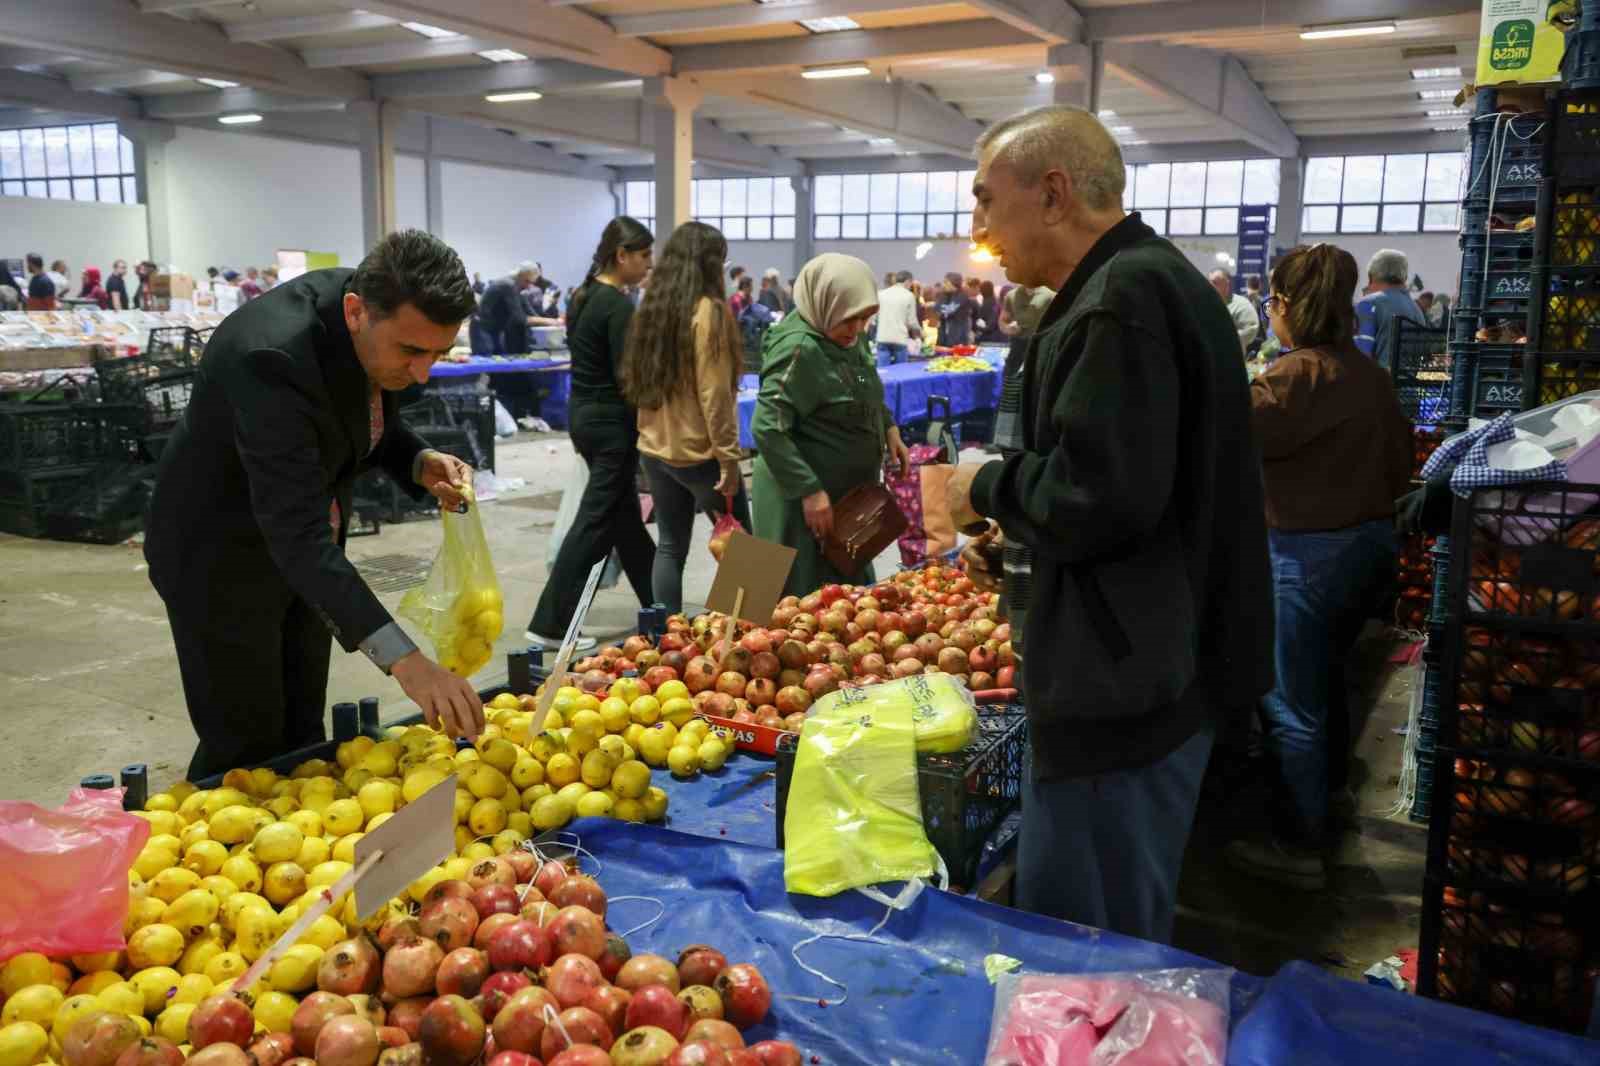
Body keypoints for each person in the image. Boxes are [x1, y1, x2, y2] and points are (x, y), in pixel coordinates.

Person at [947, 105, 1274, 944]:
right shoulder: (1149, 281)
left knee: (1089, 944)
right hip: (1162, 662)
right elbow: (1134, 487)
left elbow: (1101, 500)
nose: (978, 226)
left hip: (1125, 688)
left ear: (1053, 193)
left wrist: (987, 486)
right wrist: (1022, 537)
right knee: (1117, 916)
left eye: (987, 200)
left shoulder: (1118, 300)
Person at [143, 230, 486, 779]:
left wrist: (415, 460)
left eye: (439, 353)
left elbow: (356, 419)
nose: (423, 373)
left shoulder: (369, 320)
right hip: (220, 558)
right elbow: (296, 532)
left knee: (302, 735)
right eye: (413, 352)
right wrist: (407, 662)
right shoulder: (270, 359)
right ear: (356, 313)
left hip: (307, 557)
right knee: (246, 742)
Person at [1225, 245, 1413, 889]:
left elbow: (1227, 442)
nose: (1271, 313)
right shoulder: (1368, 374)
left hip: (1307, 556)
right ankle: (1325, 801)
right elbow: (1397, 469)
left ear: (1290, 305)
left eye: (1274, 302)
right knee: (1328, 681)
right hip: (1367, 548)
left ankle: (1298, 847)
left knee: (1289, 706)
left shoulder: (1291, 377)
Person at [526, 217, 657, 648]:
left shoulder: (584, 296)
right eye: (643, 256)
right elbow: (629, 375)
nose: (648, 264)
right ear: (621, 255)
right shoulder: (617, 306)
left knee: (625, 523)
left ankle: (661, 610)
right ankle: (549, 624)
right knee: (592, 522)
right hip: (609, 425)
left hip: (583, 415)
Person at [751, 254, 911, 596]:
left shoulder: (847, 336)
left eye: (864, 319)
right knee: (781, 605)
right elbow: (767, 427)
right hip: (795, 501)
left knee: (845, 607)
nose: (856, 330)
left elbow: (865, 386)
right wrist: (809, 490)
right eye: (848, 320)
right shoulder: (797, 349)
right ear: (824, 305)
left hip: (844, 503)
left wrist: (888, 427)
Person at [624, 222, 752, 615]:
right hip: (700, 455)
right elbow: (714, 395)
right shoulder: (708, 312)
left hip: (654, 450)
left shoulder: (653, 309)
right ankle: (751, 642)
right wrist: (729, 459)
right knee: (747, 554)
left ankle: (666, 639)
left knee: (670, 545)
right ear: (709, 264)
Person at [1363, 248, 1426, 362]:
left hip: (1377, 379)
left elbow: (1359, 358)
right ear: (1404, 277)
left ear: (1372, 276)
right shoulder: (1417, 311)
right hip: (1409, 379)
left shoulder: (1368, 304)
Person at [473, 262, 539, 355]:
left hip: (495, 329)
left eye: (531, 283)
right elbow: (519, 318)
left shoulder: (517, 287)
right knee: (487, 362)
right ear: (520, 275)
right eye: (527, 281)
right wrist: (549, 321)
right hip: (483, 328)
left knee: (499, 360)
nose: (528, 286)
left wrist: (544, 320)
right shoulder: (508, 285)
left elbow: (528, 310)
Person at [873, 271, 922, 366]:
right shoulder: (909, 295)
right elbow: (912, 321)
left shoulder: (881, 294)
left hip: (882, 337)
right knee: (901, 372)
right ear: (908, 281)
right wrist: (920, 332)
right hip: (899, 339)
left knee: (883, 372)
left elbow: (874, 318)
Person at [1210, 270, 1260, 357]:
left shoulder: (1241, 304)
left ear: (1227, 284)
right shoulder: (1206, 303)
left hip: (1230, 359)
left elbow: (1251, 329)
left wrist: (1222, 339)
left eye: (1215, 282)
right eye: (1209, 282)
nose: (1210, 285)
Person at [935, 272, 975, 346]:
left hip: (958, 339)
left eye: (946, 282)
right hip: (943, 338)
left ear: (953, 283)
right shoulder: (944, 295)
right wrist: (944, 312)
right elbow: (937, 309)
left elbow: (950, 310)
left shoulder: (963, 296)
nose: (943, 285)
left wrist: (943, 312)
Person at [976, 279, 1007, 343]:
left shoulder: (986, 303)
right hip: (1001, 336)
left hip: (989, 337)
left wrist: (979, 327)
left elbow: (987, 324)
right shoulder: (996, 302)